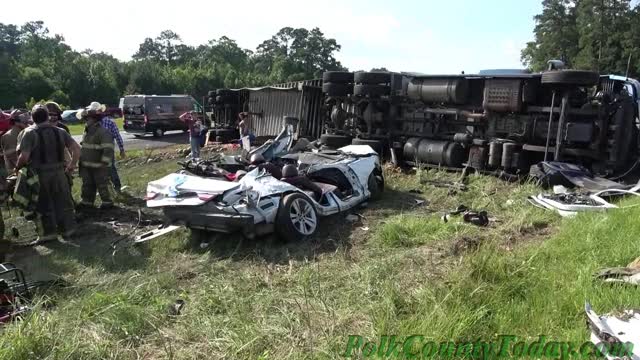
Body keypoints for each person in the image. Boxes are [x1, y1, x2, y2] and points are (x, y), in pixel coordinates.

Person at [15, 104, 81, 244]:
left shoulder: (29, 133)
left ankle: (47, 235)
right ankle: (68, 230)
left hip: (39, 176)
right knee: (63, 202)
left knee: (43, 204)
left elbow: (24, 157)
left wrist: (17, 168)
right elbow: (76, 148)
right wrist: (71, 166)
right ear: (47, 116)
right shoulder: (60, 131)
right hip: (60, 173)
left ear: (33, 117)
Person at [76, 102, 115, 210]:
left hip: (99, 166)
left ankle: (108, 203)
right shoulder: (87, 131)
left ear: (94, 119)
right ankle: (87, 202)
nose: (85, 121)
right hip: (87, 165)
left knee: (103, 184)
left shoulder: (103, 132)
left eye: (87, 119)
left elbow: (108, 149)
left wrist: (104, 163)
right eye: (85, 119)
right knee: (87, 185)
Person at [100, 108, 125, 192]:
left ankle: (117, 187)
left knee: (110, 168)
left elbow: (117, 136)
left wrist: (121, 149)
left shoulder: (110, 122)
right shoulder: (93, 123)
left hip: (107, 150)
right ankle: (107, 188)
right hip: (98, 150)